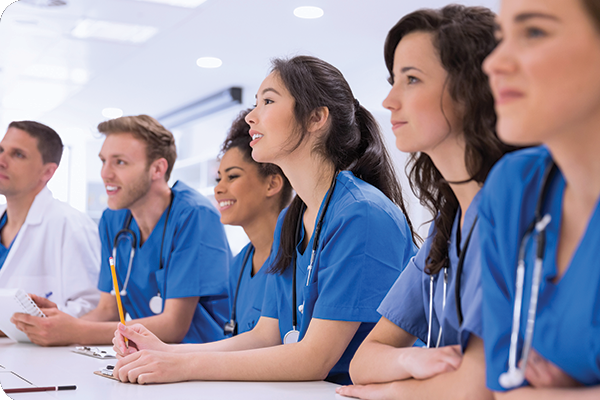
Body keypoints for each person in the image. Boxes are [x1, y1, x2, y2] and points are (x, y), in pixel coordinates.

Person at [111, 55, 417, 385]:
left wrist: (182, 367)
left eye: (268, 101)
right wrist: (167, 352)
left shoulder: (362, 214)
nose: (251, 118)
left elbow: (313, 359)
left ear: (316, 118)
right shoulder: (292, 217)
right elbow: (265, 335)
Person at [337, 5, 514, 399]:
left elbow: (476, 387)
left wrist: (393, 392)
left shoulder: (512, 212)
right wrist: (411, 362)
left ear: (472, 90)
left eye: (411, 79)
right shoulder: (447, 224)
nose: (388, 101)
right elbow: (363, 362)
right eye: (393, 80)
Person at [479, 0, 600, 398]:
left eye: (534, 32)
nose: (493, 63)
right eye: (500, 39)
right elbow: (507, 385)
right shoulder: (513, 187)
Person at [11, 115, 231, 346]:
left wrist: (75, 331)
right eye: (103, 161)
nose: (105, 173)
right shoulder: (113, 219)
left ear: (157, 168)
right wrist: (56, 326)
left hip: (202, 361)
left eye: (120, 162)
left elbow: (173, 326)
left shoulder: (194, 214)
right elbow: (108, 309)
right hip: (148, 357)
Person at [0, 121, 99, 320]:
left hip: (41, 351)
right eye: (1, 149)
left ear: (47, 172)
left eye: (18, 154)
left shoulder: (71, 225)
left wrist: (21, 319)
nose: (2, 160)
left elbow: (93, 308)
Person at [215, 108, 292, 336]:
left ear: (272, 184)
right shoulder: (239, 265)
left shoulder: (295, 258)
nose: (218, 189)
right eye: (218, 178)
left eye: (233, 176)